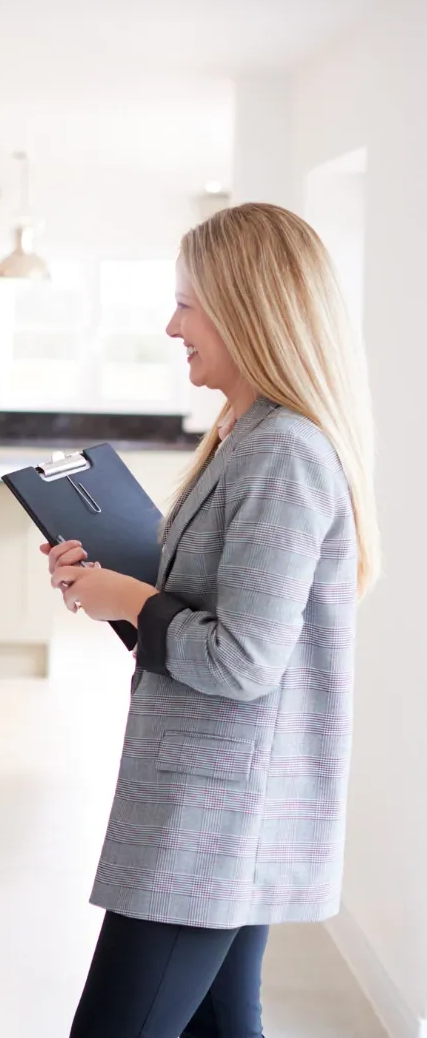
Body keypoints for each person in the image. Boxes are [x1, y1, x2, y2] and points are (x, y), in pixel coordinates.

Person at [44, 203, 379, 1037]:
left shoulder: (282, 452)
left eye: (188, 303)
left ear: (249, 307)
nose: (171, 325)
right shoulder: (249, 436)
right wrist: (110, 593)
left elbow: (241, 661)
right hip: (216, 807)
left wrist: (129, 598)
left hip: (213, 818)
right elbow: (208, 626)